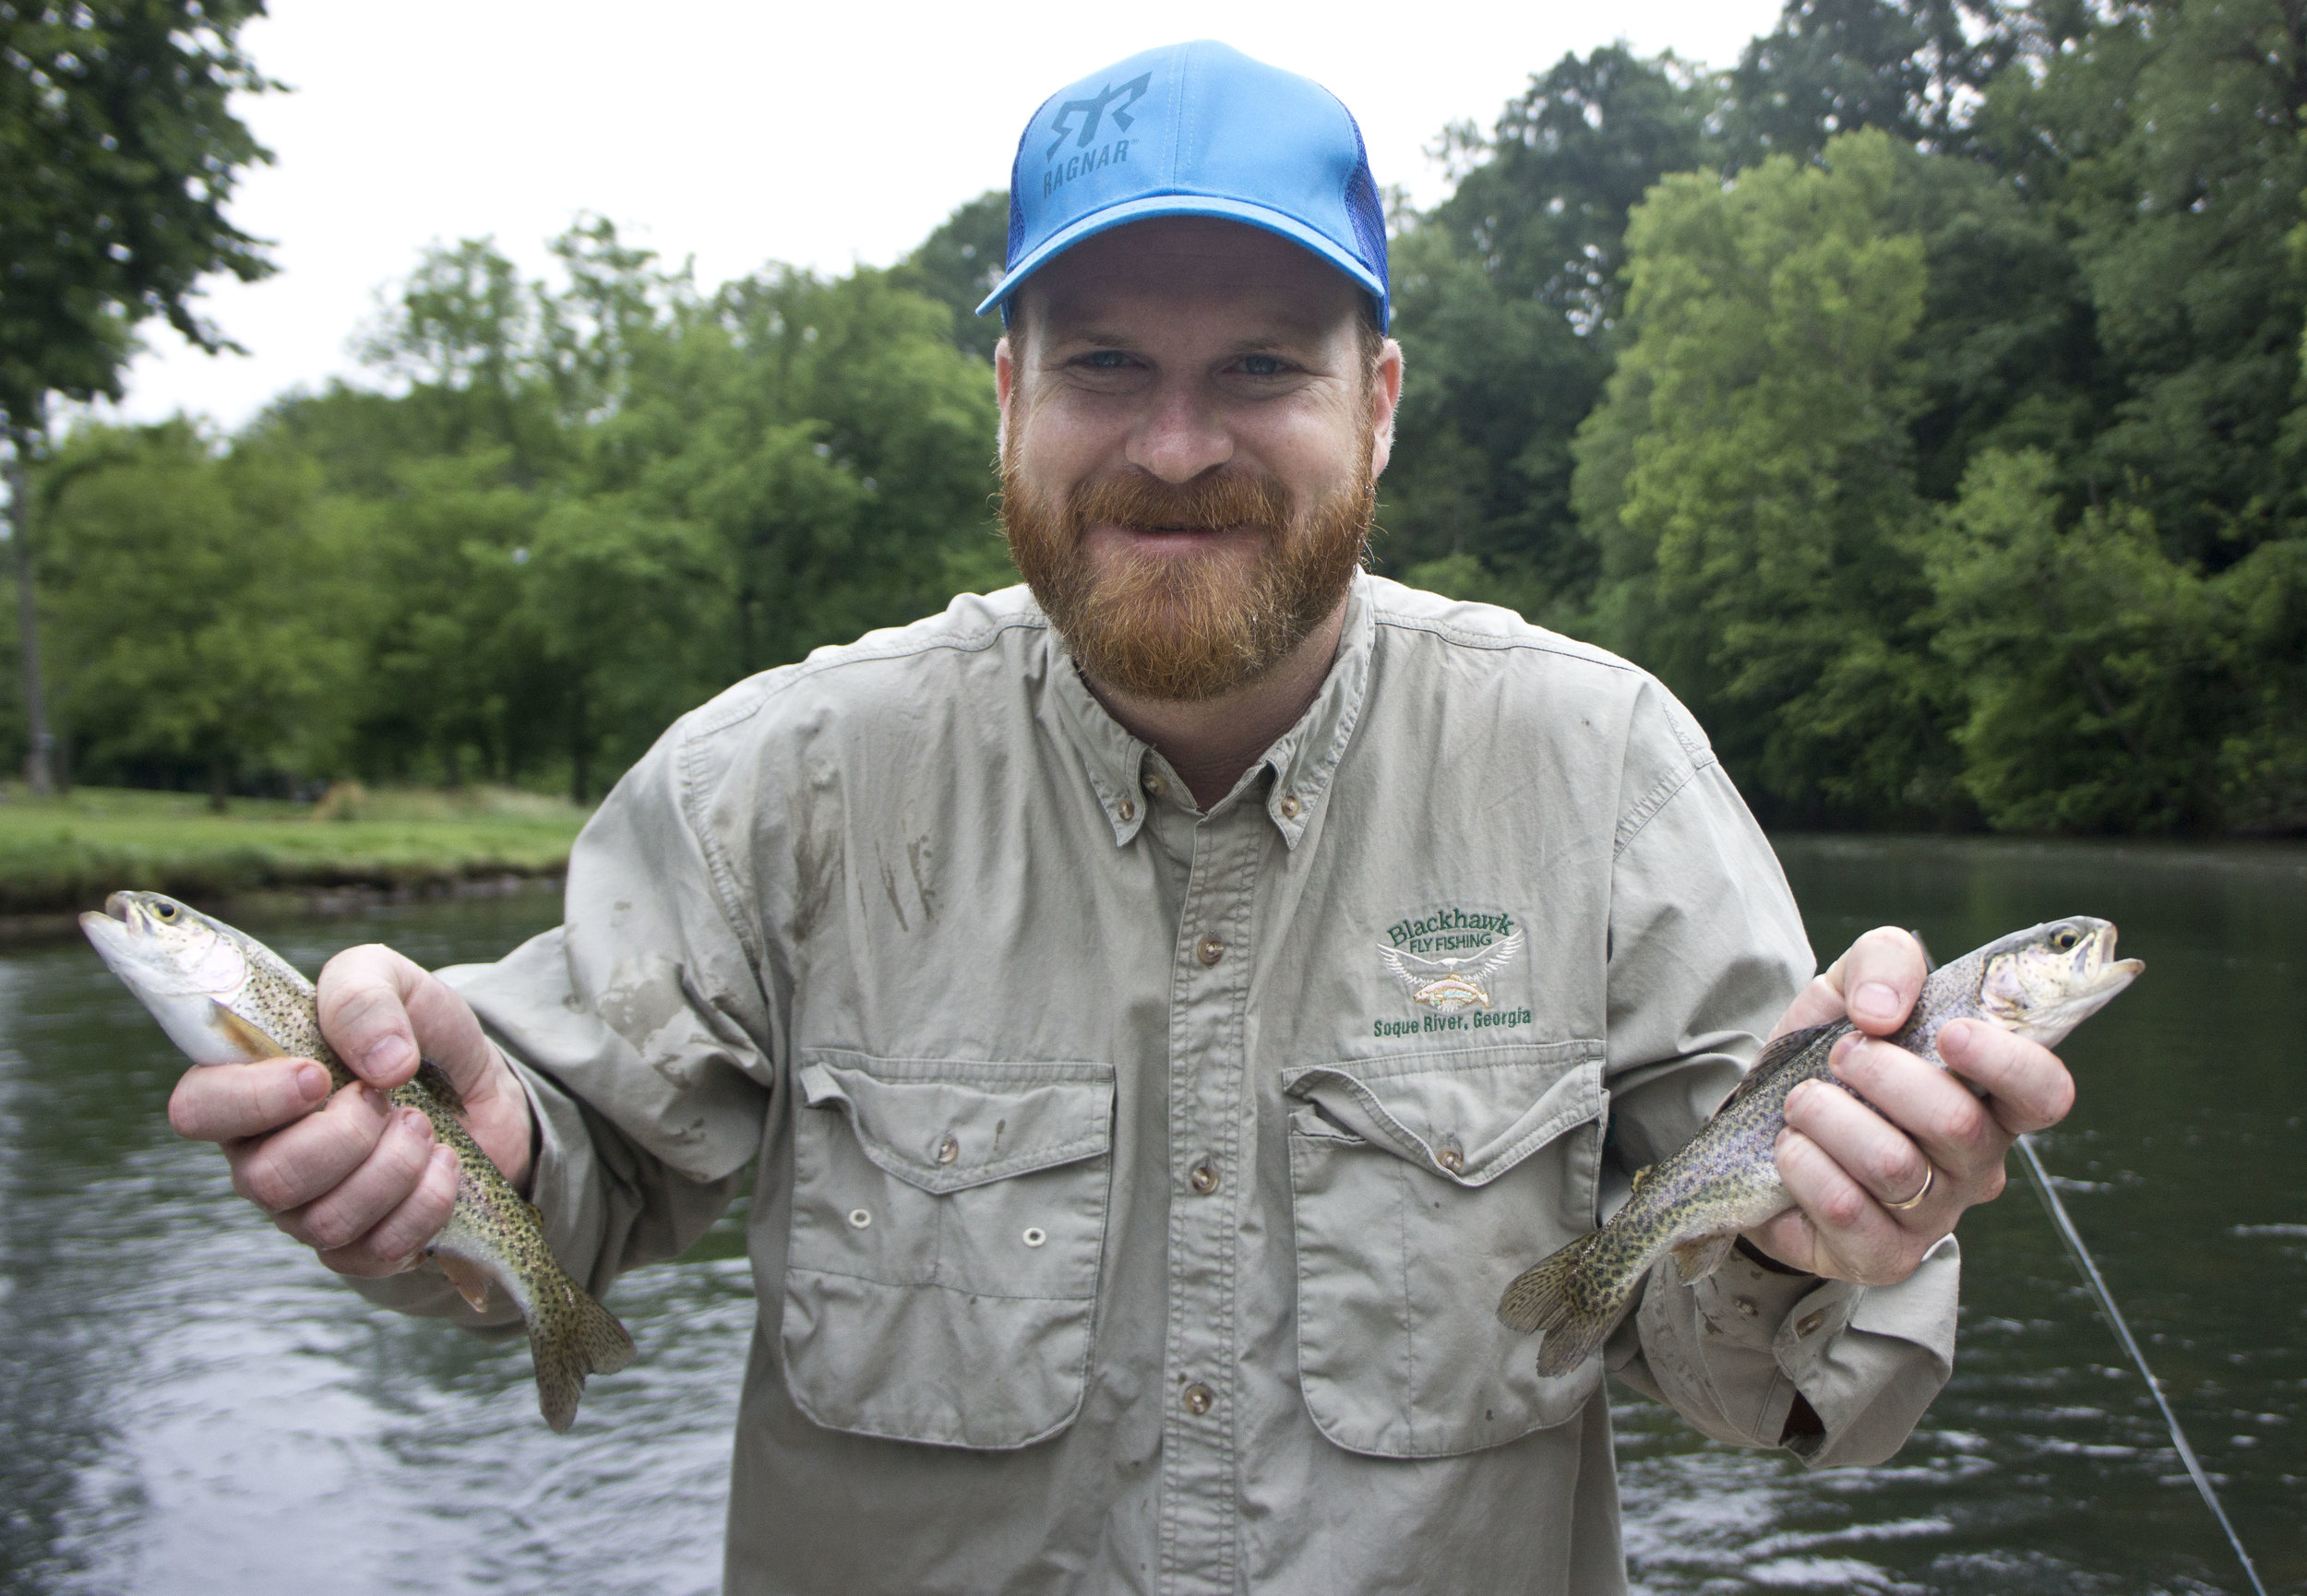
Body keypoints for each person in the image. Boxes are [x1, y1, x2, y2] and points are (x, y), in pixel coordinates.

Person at [167, 41, 2076, 1596]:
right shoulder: (785, 775)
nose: (1176, 446)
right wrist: (458, 1164)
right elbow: (561, 1160)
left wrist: (1819, 1241)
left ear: (1381, 401)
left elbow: (1741, 1377)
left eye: (1260, 364)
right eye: (1103, 367)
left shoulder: (1605, 770)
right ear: (1004, 397)